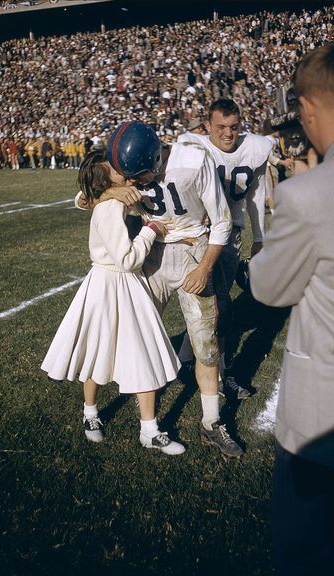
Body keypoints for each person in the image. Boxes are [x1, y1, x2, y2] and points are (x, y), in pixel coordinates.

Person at [82, 120, 244, 458]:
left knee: (206, 342)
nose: (134, 182)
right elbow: (83, 196)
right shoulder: (123, 164)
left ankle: (211, 422)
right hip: (151, 257)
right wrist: (110, 192)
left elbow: (222, 220)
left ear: (156, 160)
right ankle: (142, 420)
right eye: (127, 176)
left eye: (137, 176)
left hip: (192, 253)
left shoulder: (192, 161)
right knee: (136, 338)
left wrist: (204, 267)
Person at [249, 44, 334, 575]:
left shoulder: (307, 195)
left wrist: (288, 199)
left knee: (306, 553)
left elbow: (269, 290)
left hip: (322, 420)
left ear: (308, 106)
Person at [42, 149, 185, 456]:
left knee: (143, 351)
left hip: (127, 285)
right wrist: (150, 230)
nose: (123, 170)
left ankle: (150, 429)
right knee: (97, 351)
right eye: (115, 169)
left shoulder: (121, 194)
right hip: (110, 283)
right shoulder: (106, 206)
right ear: (106, 177)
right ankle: (90, 413)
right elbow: (126, 259)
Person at [177, 98, 273, 400]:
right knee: (219, 309)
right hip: (202, 236)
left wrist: (259, 237)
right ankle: (220, 377)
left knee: (213, 307)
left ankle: (183, 361)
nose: (228, 134)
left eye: (234, 127)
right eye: (221, 127)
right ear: (208, 126)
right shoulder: (192, 146)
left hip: (231, 237)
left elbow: (255, 195)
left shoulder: (255, 148)